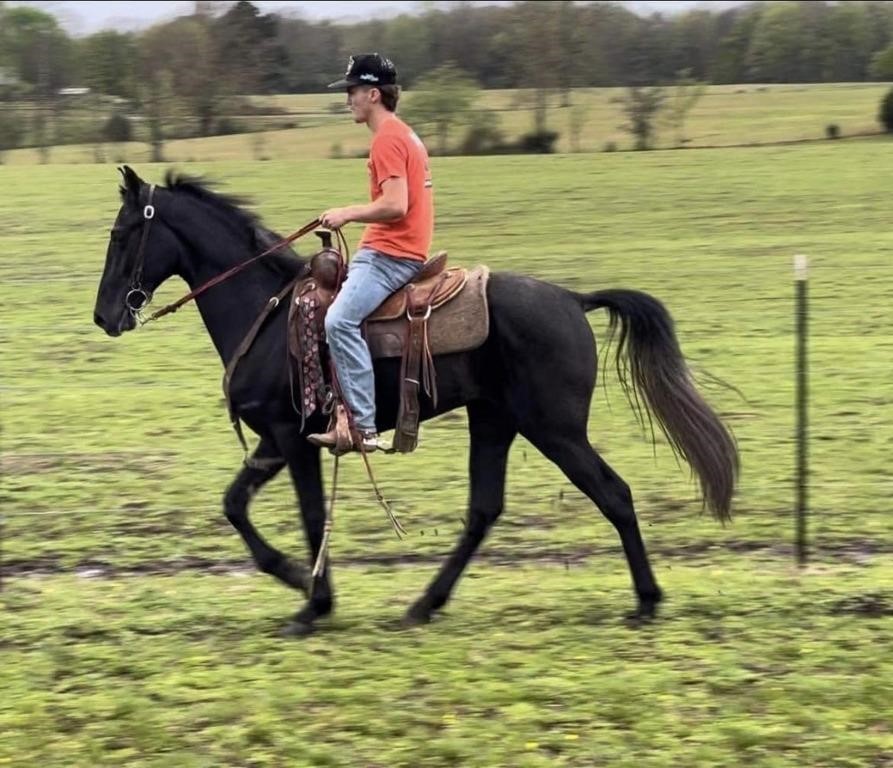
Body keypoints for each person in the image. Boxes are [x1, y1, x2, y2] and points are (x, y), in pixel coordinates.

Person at [307, 53, 435, 453]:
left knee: (339, 321)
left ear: (374, 94)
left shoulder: (387, 140)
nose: (348, 100)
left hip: (391, 255)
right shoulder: (403, 134)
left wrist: (348, 213)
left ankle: (362, 425)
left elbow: (396, 204)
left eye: (352, 91)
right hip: (394, 248)